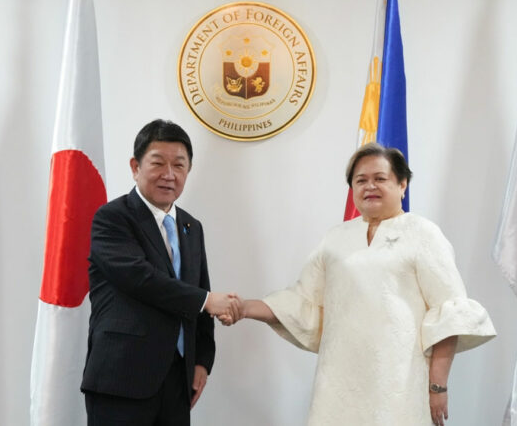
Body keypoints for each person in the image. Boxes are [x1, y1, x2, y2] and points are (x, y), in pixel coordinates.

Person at [221, 143, 496, 426]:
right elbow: (301, 303)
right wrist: (243, 308)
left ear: (402, 184)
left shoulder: (423, 234)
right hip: (337, 383)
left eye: (380, 178)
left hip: (400, 384)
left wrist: (437, 387)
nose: (370, 186)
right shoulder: (335, 239)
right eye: (361, 180)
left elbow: (449, 313)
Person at [81, 119, 241, 426]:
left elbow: (199, 289)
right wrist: (208, 300)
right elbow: (140, 278)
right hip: (121, 379)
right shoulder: (112, 218)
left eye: (179, 165)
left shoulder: (191, 227)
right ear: (135, 166)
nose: (169, 174)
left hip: (177, 381)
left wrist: (201, 361)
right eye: (158, 163)